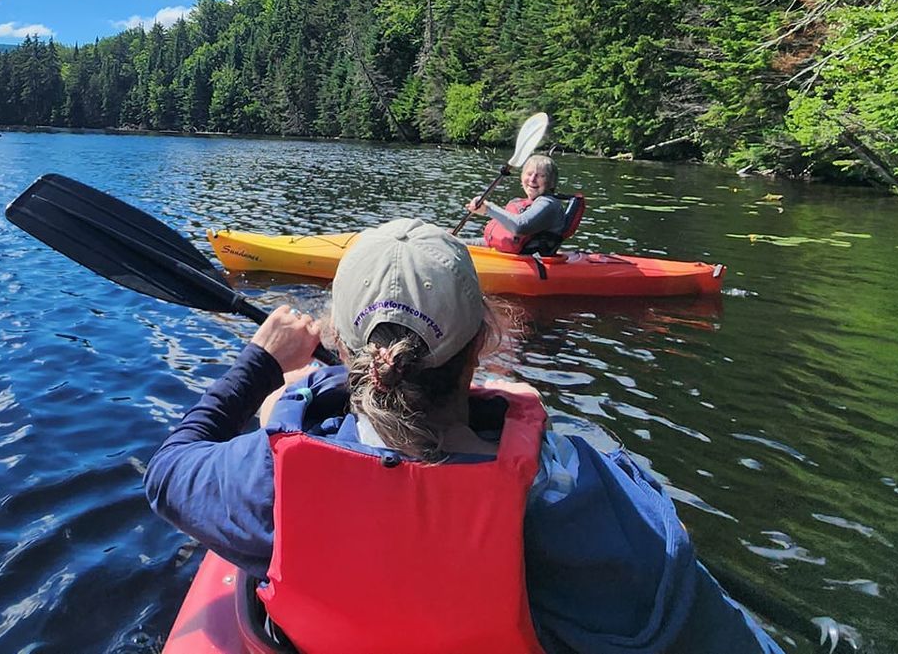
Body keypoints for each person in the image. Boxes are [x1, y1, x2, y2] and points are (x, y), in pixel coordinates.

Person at [144, 218, 782, 654]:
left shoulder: (271, 476)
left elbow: (168, 472)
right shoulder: (572, 491)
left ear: (340, 339)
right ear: (481, 341)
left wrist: (258, 364)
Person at [466, 154, 580, 255]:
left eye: (540, 176)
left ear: (551, 182)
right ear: (522, 177)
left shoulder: (549, 204)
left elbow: (520, 226)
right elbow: (493, 241)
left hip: (533, 265)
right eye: (529, 174)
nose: (532, 179)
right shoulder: (519, 202)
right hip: (511, 258)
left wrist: (488, 208)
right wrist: (456, 242)